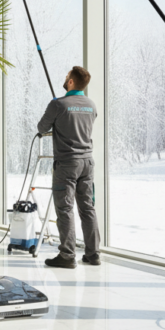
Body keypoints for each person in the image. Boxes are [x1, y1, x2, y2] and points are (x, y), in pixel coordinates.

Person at [37, 66, 101, 269]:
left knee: (65, 209)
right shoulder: (91, 105)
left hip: (67, 164)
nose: (65, 79)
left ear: (71, 82)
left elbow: (41, 128)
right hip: (87, 163)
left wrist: (57, 111)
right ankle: (93, 254)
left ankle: (67, 255)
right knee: (87, 208)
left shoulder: (58, 104)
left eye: (66, 77)